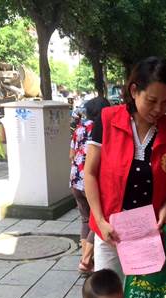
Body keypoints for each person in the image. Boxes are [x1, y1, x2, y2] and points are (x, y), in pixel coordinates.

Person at [83, 56, 166, 298]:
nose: (158, 109)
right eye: (151, 100)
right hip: (111, 229)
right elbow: (90, 174)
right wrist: (100, 221)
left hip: (148, 232)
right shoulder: (108, 120)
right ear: (133, 90)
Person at [70, 97, 110, 274]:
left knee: (86, 219)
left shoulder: (80, 127)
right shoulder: (103, 128)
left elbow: (71, 154)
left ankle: (85, 257)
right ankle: (86, 260)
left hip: (75, 179)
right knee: (99, 219)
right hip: (92, 181)